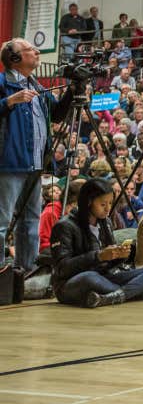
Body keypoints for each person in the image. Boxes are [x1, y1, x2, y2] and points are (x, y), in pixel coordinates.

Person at [0, 38, 76, 270]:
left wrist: (72, 93)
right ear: (14, 58)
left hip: (35, 165)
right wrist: (9, 101)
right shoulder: (2, 82)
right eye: (30, 49)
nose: (37, 51)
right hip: (8, 163)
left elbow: (58, 115)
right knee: (2, 222)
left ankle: (27, 270)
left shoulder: (38, 87)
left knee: (30, 220)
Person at [50, 179, 143, 308]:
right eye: (103, 204)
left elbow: (109, 265)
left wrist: (121, 255)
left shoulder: (106, 222)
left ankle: (112, 296)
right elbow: (61, 268)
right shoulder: (64, 226)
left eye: (110, 203)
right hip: (71, 282)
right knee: (90, 277)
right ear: (88, 202)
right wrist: (98, 256)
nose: (108, 209)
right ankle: (133, 293)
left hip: (104, 277)